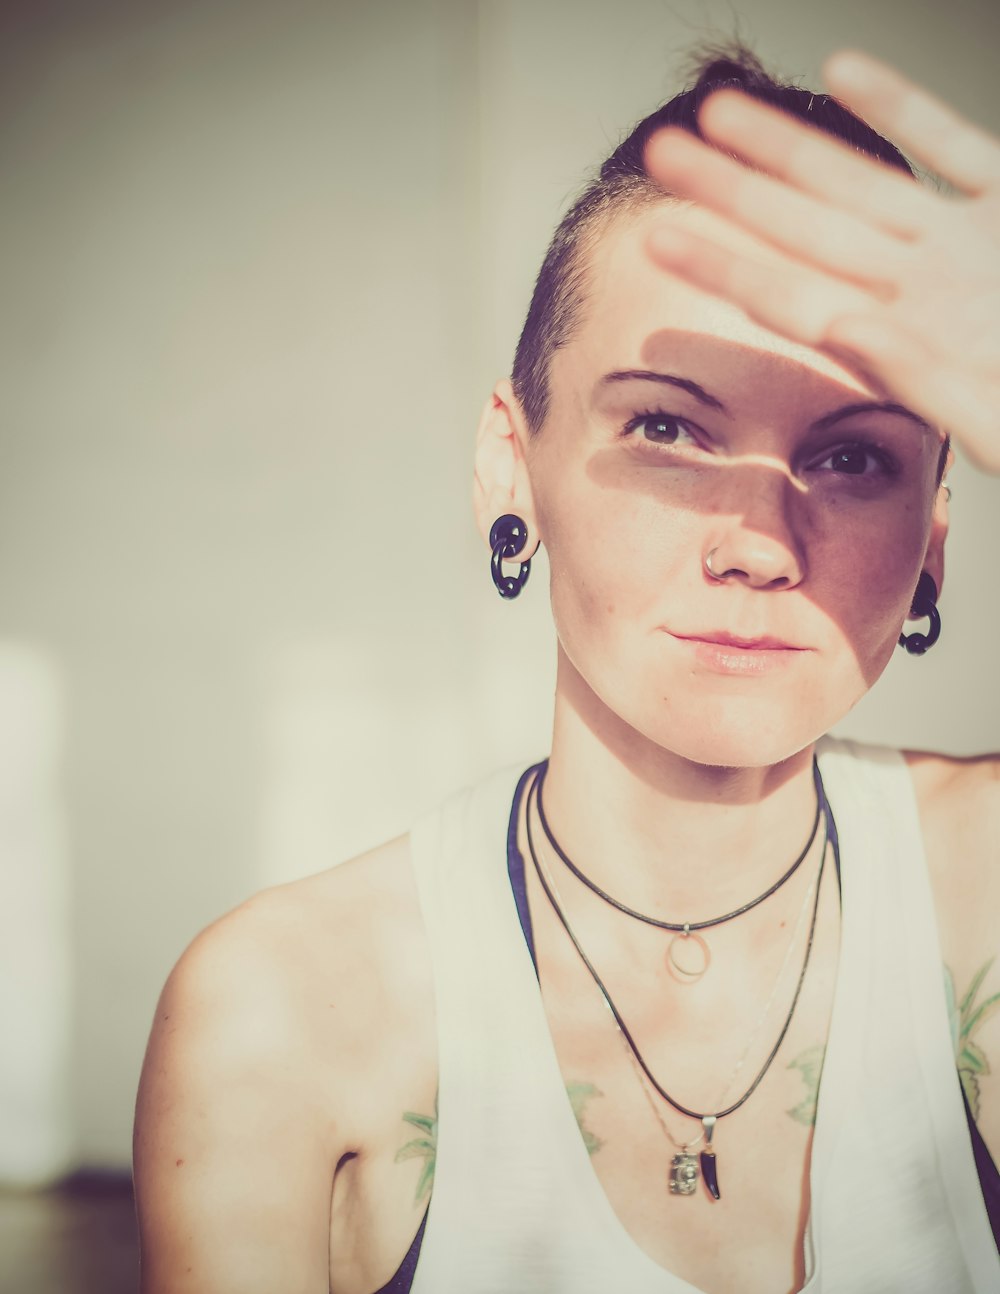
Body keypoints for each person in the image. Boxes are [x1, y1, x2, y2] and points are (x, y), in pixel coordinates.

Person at [133, 45, 1000, 1294]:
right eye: (666, 425)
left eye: (854, 456)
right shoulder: (284, 1012)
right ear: (509, 458)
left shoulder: (980, 892)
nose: (758, 542)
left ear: (932, 528)